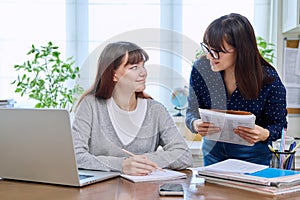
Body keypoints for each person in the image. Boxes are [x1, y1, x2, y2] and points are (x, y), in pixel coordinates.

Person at [72, 41, 193, 176]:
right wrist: (122, 165)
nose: (143, 73)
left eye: (143, 66)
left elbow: (184, 155)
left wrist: (138, 163)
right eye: (134, 67)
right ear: (114, 74)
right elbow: (75, 156)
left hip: (144, 191)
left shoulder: (156, 110)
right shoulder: (90, 106)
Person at [185, 13, 287, 166]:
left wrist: (265, 133)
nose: (210, 56)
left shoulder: (268, 79)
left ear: (241, 50)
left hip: (253, 154)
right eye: (207, 48)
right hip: (213, 151)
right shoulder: (202, 70)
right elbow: (191, 113)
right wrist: (195, 124)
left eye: (217, 51)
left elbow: (279, 125)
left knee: (247, 191)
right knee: (213, 190)